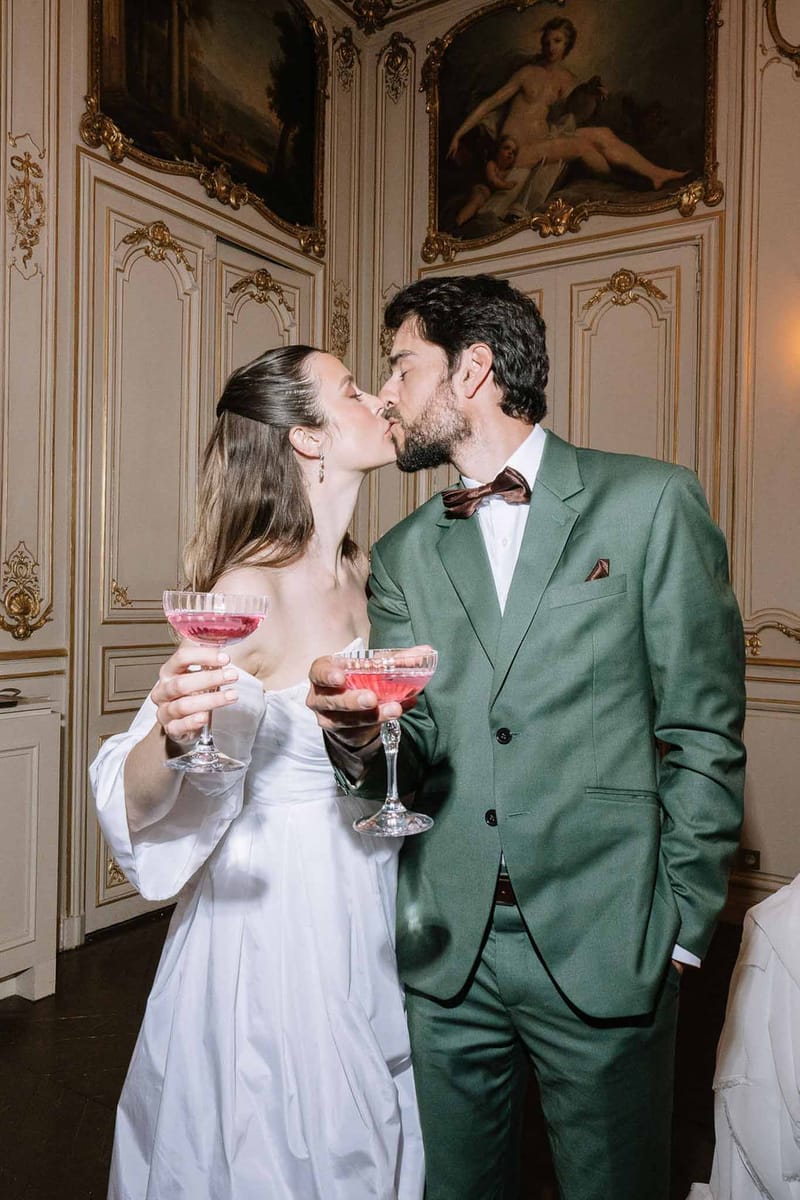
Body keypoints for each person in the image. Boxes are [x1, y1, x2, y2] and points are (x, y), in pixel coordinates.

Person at [307, 274, 747, 1200]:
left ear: (472, 370)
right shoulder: (402, 555)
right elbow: (410, 754)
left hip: (609, 936)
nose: (387, 393)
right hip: (449, 950)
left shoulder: (651, 504)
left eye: (401, 365)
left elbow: (702, 729)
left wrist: (680, 927)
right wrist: (356, 737)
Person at [90, 346, 425, 1200]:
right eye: (350, 389)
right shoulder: (252, 588)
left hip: (373, 876)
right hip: (283, 910)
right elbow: (157, 779)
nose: (377, 397)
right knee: (287, 1129)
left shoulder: (361, 567)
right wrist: (171, 737)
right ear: (308, 439)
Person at [446, 16, 686, 194]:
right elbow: (490, 103)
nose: (551, 47)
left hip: (545, 139)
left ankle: (655, 173)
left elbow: (577, 110)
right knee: (583, 147)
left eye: (557, 41)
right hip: (517, 150)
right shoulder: (527, 72)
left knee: (602, 133)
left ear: (567, 45)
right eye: (547, 41)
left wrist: (593, 93)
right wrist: (458, 134)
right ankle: (627, 180)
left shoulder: (567, 79)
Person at [455, 135, 520, 227]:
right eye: (506, 148)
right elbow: (493, 180)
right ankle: (459, 222)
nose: (510, 153)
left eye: (513, 152)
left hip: (491, 197)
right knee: (476, 202)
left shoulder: (508, 171)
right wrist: (505, 185)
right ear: (497, 150)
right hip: (482, 189)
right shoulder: (492, 165)